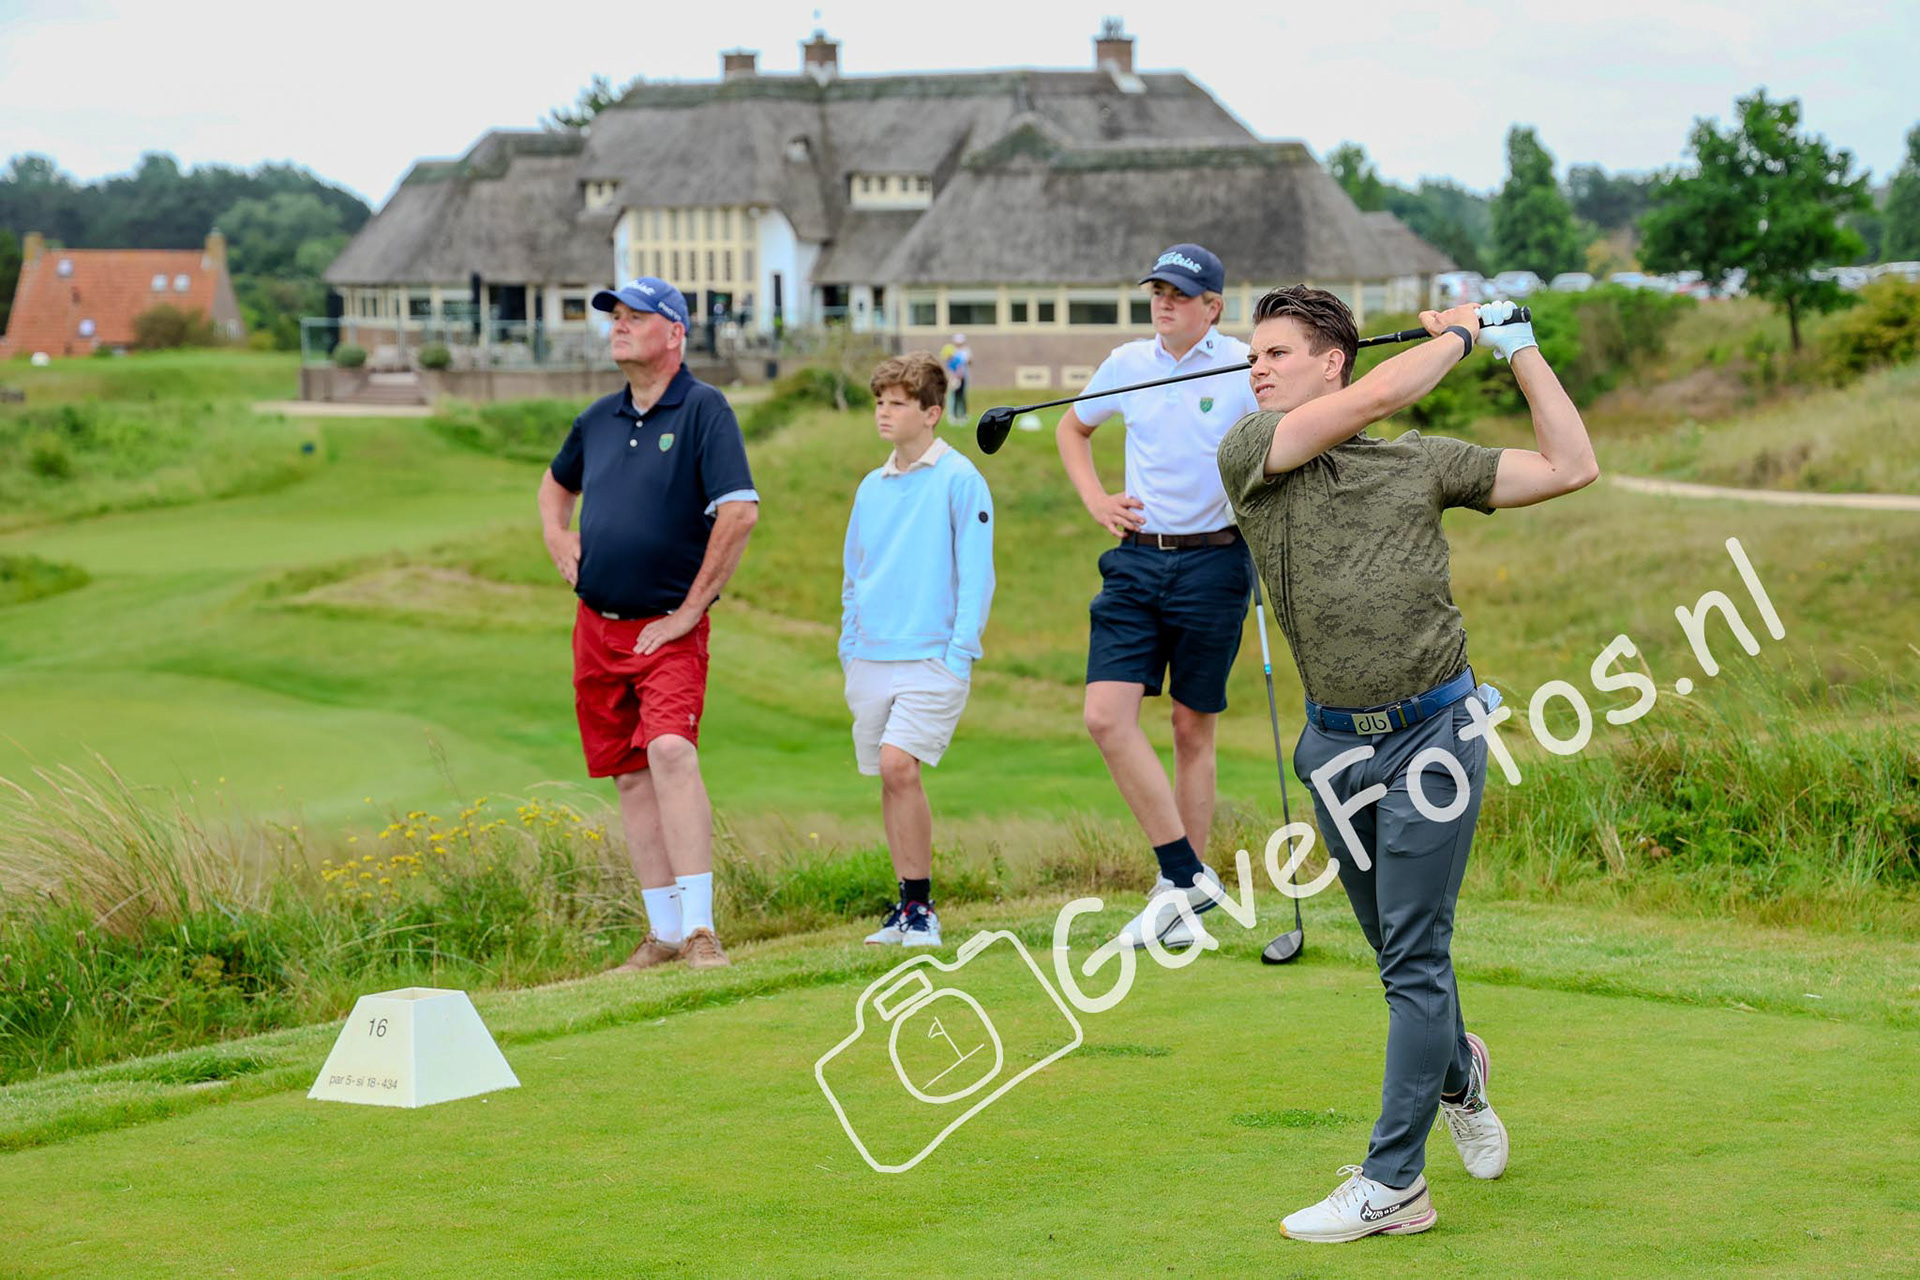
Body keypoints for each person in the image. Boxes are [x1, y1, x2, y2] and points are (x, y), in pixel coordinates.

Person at [1215, 287, 1598, 1244]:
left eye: (1276, 352)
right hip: (1337, 748)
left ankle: (1396, 1185)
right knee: (1400, 953)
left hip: (1437, 734)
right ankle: (1460, 1073)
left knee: (1415, 952)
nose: (1254, 368)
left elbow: (1571, 465)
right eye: (1253, 354)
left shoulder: (1423, 464)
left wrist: (1518, 350)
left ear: (1330, 359)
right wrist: (1462, 332)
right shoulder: (1252, 455)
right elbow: (1381, 397)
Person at [538, 276, 760, 973]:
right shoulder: (598, 418)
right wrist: (557, 535)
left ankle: (700, 929)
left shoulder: (704, 410)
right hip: (596, 626)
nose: (619, 326)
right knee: (630, 775)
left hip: (666, 629)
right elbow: (555, 485)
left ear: (674, 333)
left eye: (636, 317)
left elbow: (740, 511)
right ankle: (662, 932)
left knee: (669, 752)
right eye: (616, 317)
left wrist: (692, 611)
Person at [1053, 242, 1260, 950]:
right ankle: (1185, 873)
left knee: (1190, 728)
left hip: (1216, 564)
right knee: (1106, 716)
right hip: (1137, 563)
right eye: (1157, 290)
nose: (1163, 301)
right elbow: (1072, 428)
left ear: (1213, 307)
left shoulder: (1241, 366)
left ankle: (1182, 897)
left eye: (1179, 293)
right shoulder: (1127, 364)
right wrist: (1096, 501)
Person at [840, 352, 996, 948]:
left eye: (897, 403)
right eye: (879, 402)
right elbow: (855, 571)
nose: (884, 412)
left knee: (897, 765)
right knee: (890, 778)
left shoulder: (960, 480)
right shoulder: (871, 486)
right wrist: (849, 644)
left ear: (931, 413)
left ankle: (923, 908)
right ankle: (906, 909)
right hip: (871, 656)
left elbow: (977, 574)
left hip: (933, 656)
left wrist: (960, 652)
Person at [944, 334, 972, 426]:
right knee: (953, 397)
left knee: (962, 396)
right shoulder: (953, 351)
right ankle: (953, 416)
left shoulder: (966, 351)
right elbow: (949, 366)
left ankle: (963, 415)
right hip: (954, 378)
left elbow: (968, 363)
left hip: (962, 377)